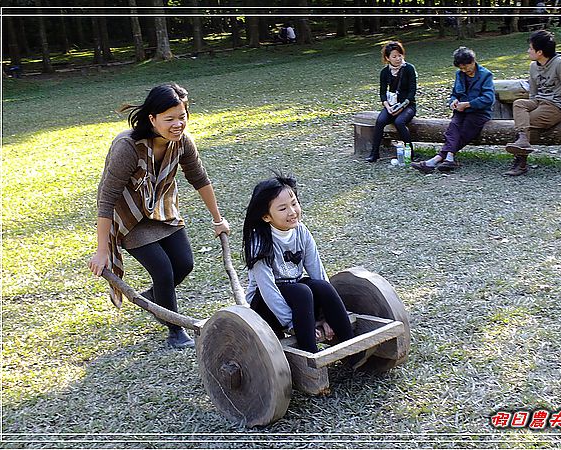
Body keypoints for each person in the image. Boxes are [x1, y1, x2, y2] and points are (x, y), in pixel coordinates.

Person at [88, 83, 230, 349]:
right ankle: (175, 331)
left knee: (184, 264)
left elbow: (199, 178)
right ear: (152, 119)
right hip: (130, 217)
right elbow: (106, 198)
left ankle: (154, 299)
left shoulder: (182, 143)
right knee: (163, 271)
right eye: (170, 119)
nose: (178, 124)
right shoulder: (128, 148)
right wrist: (102, 249)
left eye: (182, 116)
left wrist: (217, 218)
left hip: (163, 209)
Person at [241, 173, 367, 367]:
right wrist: (290, 324)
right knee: (302, 291)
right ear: (266, 217)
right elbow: (267, 288)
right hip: (266, 305)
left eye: (294, 203)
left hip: (296, 295)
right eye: (283, 208)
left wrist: (323, 316)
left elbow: (317, 271)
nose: (292, 211)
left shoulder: (301, 231)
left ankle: (351, 347)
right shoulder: (259, 242)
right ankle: (310, 356)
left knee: (321, 287)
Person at [504, 30, 561, 176]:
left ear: (540, 52)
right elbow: (533, 92)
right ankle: (523, 142)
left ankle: (520, 163)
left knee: (525, 123)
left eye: (531, 48)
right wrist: (532, 105)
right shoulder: (533, 66)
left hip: (555, 106)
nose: (528, 51)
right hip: (538, 102)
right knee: (519, 104)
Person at [411, 46, 494, 174]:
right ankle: (448, 159)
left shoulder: (485, 75)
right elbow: (455, 93)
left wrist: (468, 104)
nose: (463, 70)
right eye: (460, 68)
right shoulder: (459, 74)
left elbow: (488, 99)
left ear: (472, 62)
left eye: (465, 67)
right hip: (461, 110)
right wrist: (453, 101)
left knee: (465, 131)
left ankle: (436, 159)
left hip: (479, 113)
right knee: (453, 128)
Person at [366, 41, 417, 163]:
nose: (398, 59)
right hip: (392, 105)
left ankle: (410, 153)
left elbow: (412, 92)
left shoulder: (409, 69)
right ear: (387, 58)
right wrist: (388, 107)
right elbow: (382, 93)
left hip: (408, 105)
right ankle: (374, 153)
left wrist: (402, 106)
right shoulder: (385, 72)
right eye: (394, 56)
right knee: (380, 121)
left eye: (400, 55)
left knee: (399, 122)